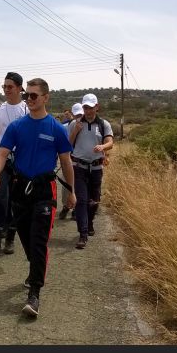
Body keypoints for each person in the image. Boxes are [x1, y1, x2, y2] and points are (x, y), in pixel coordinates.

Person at [0, 77, 75, 318]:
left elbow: (66, 162)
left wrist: (72, 192)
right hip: (20, 188)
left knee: (38, 241)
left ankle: (34, 293)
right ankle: (35, 267)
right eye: (27, 95)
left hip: (44, 191)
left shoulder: (56, 128)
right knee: (26, 239)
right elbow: (2, 154)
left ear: (46, 97)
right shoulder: (17, 126)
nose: (29, 99)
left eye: (34, 95)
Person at [0, 72, 28, 261]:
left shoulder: (27, 110)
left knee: (17, 200)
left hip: (22, 160)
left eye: (10, 86)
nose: (7, 90)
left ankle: (10, 237)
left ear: (19, 88)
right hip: (1, 159)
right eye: (4, 87)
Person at [68, 93, 114, 250]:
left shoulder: (103, 124)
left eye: (90, 107)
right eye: (85, 107)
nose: (88, 111)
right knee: (81, 200)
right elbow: (68, 144)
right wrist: (75, 131)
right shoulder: (74, 124)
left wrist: (103, 147)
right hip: (79, 167)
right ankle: (83, 234)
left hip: (96, 168)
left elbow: (110, 142)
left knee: (94, 200)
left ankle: (90, 222)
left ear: (97, 107)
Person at [58, 102, 84, 220]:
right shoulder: (69, 125)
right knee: (66, 185)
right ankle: (66, 206)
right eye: (77, 115)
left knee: (79, 186)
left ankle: (75, 209)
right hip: (70, 159)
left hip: (82, 161)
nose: (79, 117)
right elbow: (68, 144)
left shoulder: (89, 124)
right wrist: (75, 131)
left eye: (81, 115)